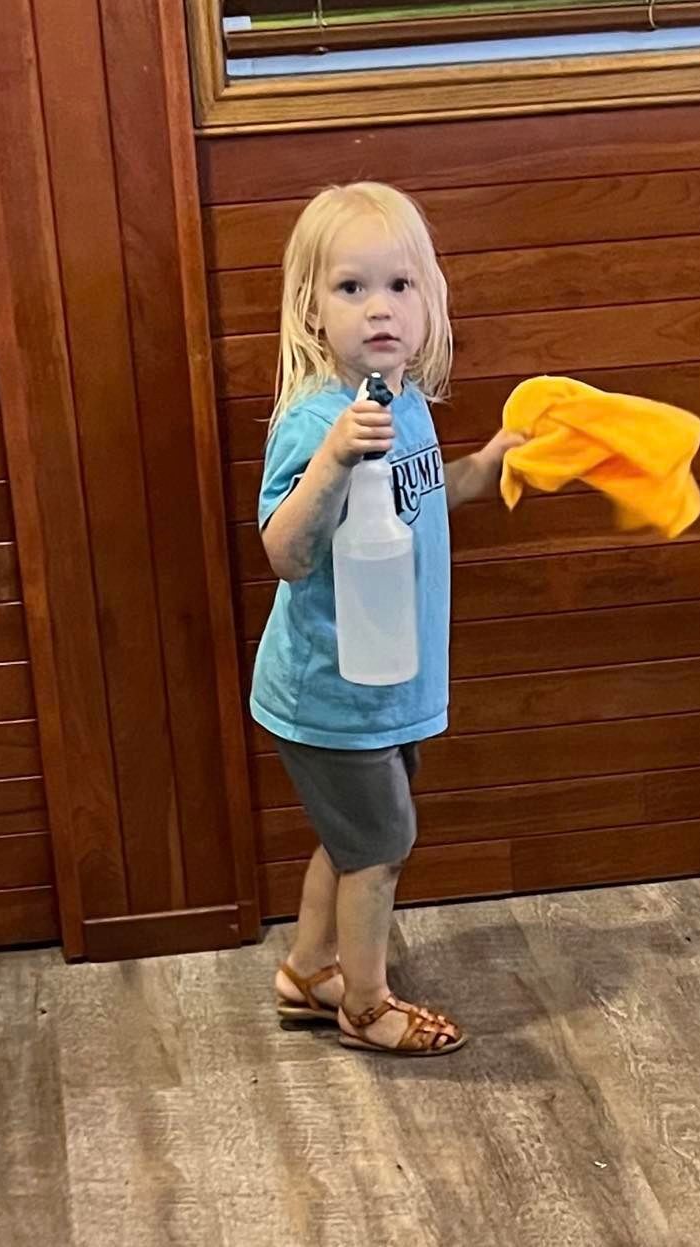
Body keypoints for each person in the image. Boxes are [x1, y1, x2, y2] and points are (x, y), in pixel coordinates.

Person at [251, 182, 521, 1056]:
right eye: (351, 288)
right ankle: (365, 1004)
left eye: (399, 287)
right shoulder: (318, 421)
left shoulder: (404, 406)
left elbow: (431, 495)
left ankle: (306, 971)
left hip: (392, 676)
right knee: (382, 842)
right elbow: (286, 552)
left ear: (430, 303)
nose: (379, 309)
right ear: (311, 309)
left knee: (353, 831)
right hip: (332, 687)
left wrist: (494, 463)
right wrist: (332, 458)